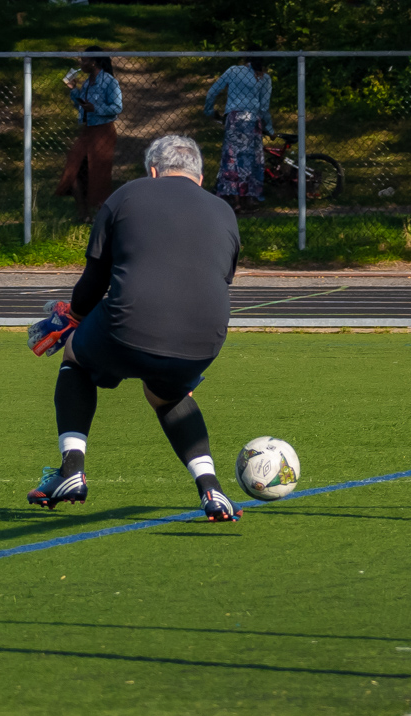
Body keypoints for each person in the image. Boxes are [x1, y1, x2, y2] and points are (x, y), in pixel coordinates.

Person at [24, 134, 244, 522]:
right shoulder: (223, 210)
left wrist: (71, 318)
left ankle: (71, 471)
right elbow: (216, 278)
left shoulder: (128, 195)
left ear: (153, 171)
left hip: (130, 325)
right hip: (207, 337)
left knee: (75, 357)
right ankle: (211, 487)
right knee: (167, 394)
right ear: (200, 175)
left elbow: (95, 279)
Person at [56, 47, 122, 220]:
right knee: (73, 168)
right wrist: (73, 89)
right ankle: (83, 214)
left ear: (94, 62)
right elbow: (81, 106)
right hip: (88, 130)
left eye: (84, 60)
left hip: (103, 131)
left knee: (98, 174)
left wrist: (96, 108)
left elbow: (117, 107)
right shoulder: (87, 83)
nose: (81, 63)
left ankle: (100, 216)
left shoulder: (109, 82)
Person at [204, 56, 273, 213]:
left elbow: (212, 92)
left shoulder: (234, 71)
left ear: (245, 58)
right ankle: (248, 198)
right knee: (251, 159)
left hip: (234, 119)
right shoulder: (265, 78)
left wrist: (209, 110)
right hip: (253, 120)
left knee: (232, 158)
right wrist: (269, 128)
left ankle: (234, 201)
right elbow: (264, 107)